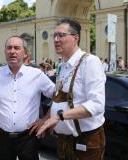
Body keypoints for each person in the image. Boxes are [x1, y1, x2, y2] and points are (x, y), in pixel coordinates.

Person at [36, 18, 106, 160]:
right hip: (64, 140)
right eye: (54, 36)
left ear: (75, 38)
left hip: (86, 140)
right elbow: (58, 100)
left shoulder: (90, 61)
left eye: (61, 35)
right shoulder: (63, 65)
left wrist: (58, 117)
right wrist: (45, 119)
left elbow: (97, 105)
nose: (56, 39)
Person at [0, 35, 55, 160]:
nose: (12, 51)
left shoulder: (36, 75)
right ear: (5, 51)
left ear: (25, 53)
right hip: (2, 137)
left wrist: (45, 119)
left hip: (29, 138)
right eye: (9, 48)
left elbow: (58, 97)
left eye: (17, 48)